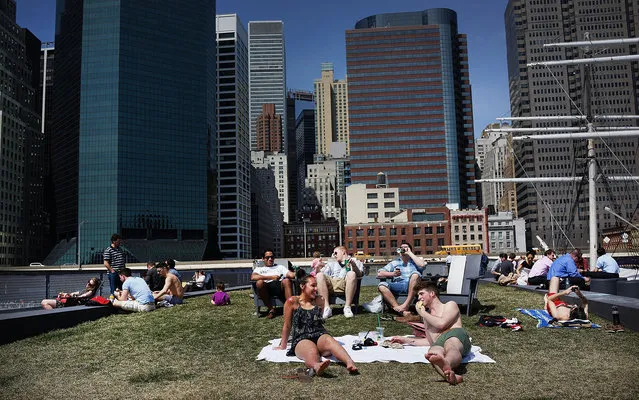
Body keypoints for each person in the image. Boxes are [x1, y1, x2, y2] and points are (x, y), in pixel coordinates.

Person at [274, 275, 358, 376]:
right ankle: (316, 366)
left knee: (329, 340)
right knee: (311, 350)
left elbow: (320, 320)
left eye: (316, 286)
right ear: (302, 286)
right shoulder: (292, 302)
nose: (316, 288)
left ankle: (349, 362)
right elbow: (287, 326)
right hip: (301, 338)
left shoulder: (320, 300)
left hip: (319, 334)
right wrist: (283, 345)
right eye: (313, 286)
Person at [390, 281, 471, 385]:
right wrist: (405, 340)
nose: (419, 298)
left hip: (454, 334)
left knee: (450, 345)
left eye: (421, 293)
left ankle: (447, 362)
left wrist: (422, 313)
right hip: (440, 340)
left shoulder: (450, 305)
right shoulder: (426, 316)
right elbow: (431, 341)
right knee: (433, 353)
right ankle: (451, 376)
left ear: (432, 293)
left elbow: (441, 324)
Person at [376, 242, 425, 316]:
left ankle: (406, 305)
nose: (403, 249)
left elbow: (422, 265)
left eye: (406, 247)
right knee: (381, 286)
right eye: (402, 247)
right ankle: (400, 310)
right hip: (399, 285)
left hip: (413, 285)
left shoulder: (415, 261)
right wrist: (393, 274)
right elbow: (379, 273)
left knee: (415, 274)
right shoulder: (395, 262)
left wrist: (409, 253)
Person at [316, 245, 364, 319]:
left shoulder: (355, 261)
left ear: (343, 252)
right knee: (319, 275)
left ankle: (347, 307)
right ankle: (326, 308)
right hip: (332, 284)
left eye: (336, 253)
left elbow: (360, 274)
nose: (334, 255)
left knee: (352, 273)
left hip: (346, 284)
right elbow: (322, 275)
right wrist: (318, 267)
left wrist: (353, 266)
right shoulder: (331, 263)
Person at [251, 249, 295, 319]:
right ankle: (271, 309)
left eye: (272, 257)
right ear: (263, 259)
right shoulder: (259, 269)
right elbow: (253, 277)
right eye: (267, 257)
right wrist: (271, 277)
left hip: (279, 287)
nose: (270, 259)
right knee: (259, 282)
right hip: (265, 289)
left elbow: (291, 275)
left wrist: (295, 273)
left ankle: (290, 309)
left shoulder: (280, 267)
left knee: (286, 281)